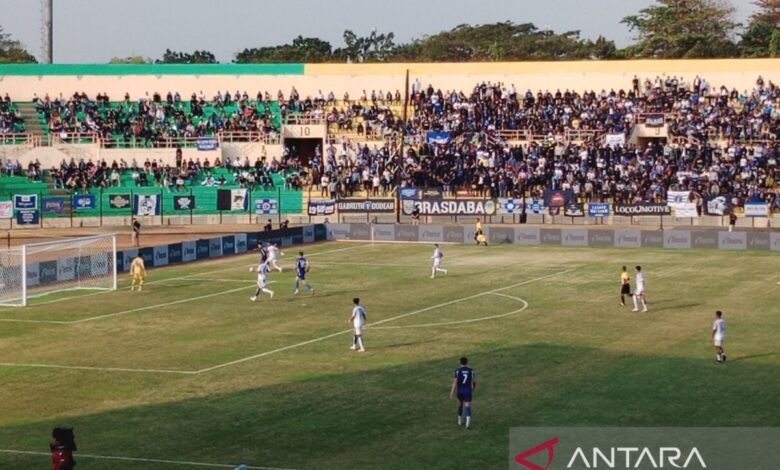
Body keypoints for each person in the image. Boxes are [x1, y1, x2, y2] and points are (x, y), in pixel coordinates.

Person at [449, 356, 475, 429]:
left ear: (460, 362)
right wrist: (472, 389)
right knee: (467, 406)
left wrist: (452, 393)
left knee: (460, 404)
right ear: (467, 362)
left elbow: (455, 382)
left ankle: (459, 421)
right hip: (467, 391)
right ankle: (467, 424)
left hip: (460, 391)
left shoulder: (457, 370)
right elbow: (472, 383)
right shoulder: (471, 370)